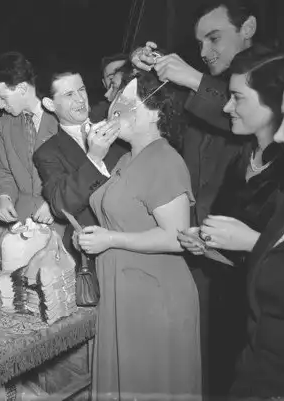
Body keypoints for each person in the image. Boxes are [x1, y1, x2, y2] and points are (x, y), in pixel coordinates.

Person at [132, 2, 261, 394]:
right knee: (199, 358)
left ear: (248, 27)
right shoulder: (203, 87)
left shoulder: (272, 79)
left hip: (244, 259)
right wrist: (144, 70)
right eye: (200, 42)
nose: (205, 52)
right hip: (197, 247)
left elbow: (249, 117)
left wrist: (191, 78)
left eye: (214, 38)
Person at [179, 50, 284, 400]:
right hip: (228, 309)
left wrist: (253, 242)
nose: (227, 107)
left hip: (272, 332)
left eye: (237, 97)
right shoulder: (240, 157)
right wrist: (207, 245)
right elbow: (232, 246)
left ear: (273, 103)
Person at [78, 70, 201, 399]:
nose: (116, 110)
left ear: (156, 113)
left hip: (154, 295)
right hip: (123, 288)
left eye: (128, 104)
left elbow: (176, 238)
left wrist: (110, 239)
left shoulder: (165, 160)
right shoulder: (126, 158)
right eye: (116, 102)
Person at [34, 66, 126, 256]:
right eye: (69, 94)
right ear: (50, 104)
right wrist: (94, 158)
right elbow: (61, 205)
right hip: (100, 249)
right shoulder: (48, 153)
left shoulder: (114, 120)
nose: (80, 99)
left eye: (81, 90)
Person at [0, 52, 64, 235]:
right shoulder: (5, 124)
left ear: (22, 88)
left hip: (62, 219)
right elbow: (6, 171)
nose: (0, 105)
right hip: (21, 219)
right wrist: (4, 198)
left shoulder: (62, 116)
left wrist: (56, 202)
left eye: (3, 97)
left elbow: (79, 170)